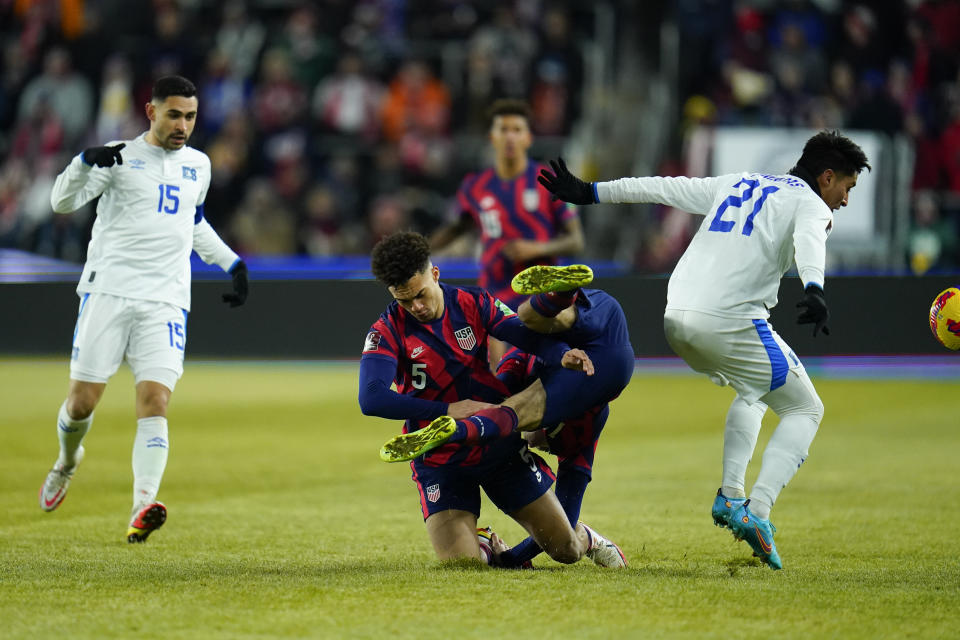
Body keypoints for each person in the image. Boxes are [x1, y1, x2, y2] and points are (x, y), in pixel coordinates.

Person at [537, 131, 871, 569]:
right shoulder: (810, 203)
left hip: (677, 317)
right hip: (730, 320)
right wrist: (814, 287)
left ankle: (731, 496)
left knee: (754, 391)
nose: (844, 200)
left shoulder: (735, 183)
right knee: (805, 410)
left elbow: (661, 187)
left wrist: (590, 192)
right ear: (827, 177)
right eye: (846, 188)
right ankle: (758, 511)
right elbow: (812, 238)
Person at [40, 75, 248, 543]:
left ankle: (142, 505)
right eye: (174, 114)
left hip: (166, 301)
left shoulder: (199, 165)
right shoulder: (117, 156)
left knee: (155, 401)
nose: (183, 125)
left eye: (190, 116)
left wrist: (231, 263)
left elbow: (191, 223)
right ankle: (67, 461)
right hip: (109, 292)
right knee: (80, 404)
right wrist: (80, 163)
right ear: (151, 112)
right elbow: (60, 201)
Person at [358, 231, 625, 568]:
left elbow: (526, 336)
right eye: (405, 301)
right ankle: (482, 543)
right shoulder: (386, 331)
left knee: (565, 551)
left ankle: (586, 536)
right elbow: (371, 398)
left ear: (435, 274)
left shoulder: (474, 303)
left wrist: (561, 355)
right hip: (441, 457)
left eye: (421, 295)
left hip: (498, 447)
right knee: (463, 565)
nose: (417, 307)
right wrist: (448, 410)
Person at [430, 99, 585, 367]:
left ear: (528, 137)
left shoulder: (549, 181)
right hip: (493, 293)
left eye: (516, 129)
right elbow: (456, 228)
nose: (510, 136)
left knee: (541, 372)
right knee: (498, 376)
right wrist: (420, 253)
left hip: (540, 292)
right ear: (493, 137)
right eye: (504, 129)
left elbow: (576, 240)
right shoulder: (474, 186)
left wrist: (535, 248)